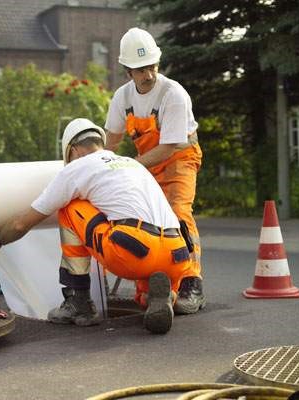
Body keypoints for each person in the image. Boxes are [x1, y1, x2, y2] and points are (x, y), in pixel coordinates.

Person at [0, 118, 197, 334]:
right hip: (176, 255)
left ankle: (79, 302)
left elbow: (20, 224)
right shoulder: (133, 164)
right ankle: (161, 295)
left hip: (134, 252)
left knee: (68, 207)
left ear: (73, 151)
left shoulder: (76, 169)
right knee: (144, 295)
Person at [104, 27, 205, 314]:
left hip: (179, 159)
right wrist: (100, 168)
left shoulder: (173, 94)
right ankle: (153, 286)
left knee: (178, 213)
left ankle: (190, 283)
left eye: (151, 67)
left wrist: (129, 167)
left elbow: (169, 148)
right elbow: (110, 142)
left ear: (157, 64)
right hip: (147, 163)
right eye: (140, 70)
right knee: (144, 219)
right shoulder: (122, 98)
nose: (147, 75)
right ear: (128, 72)